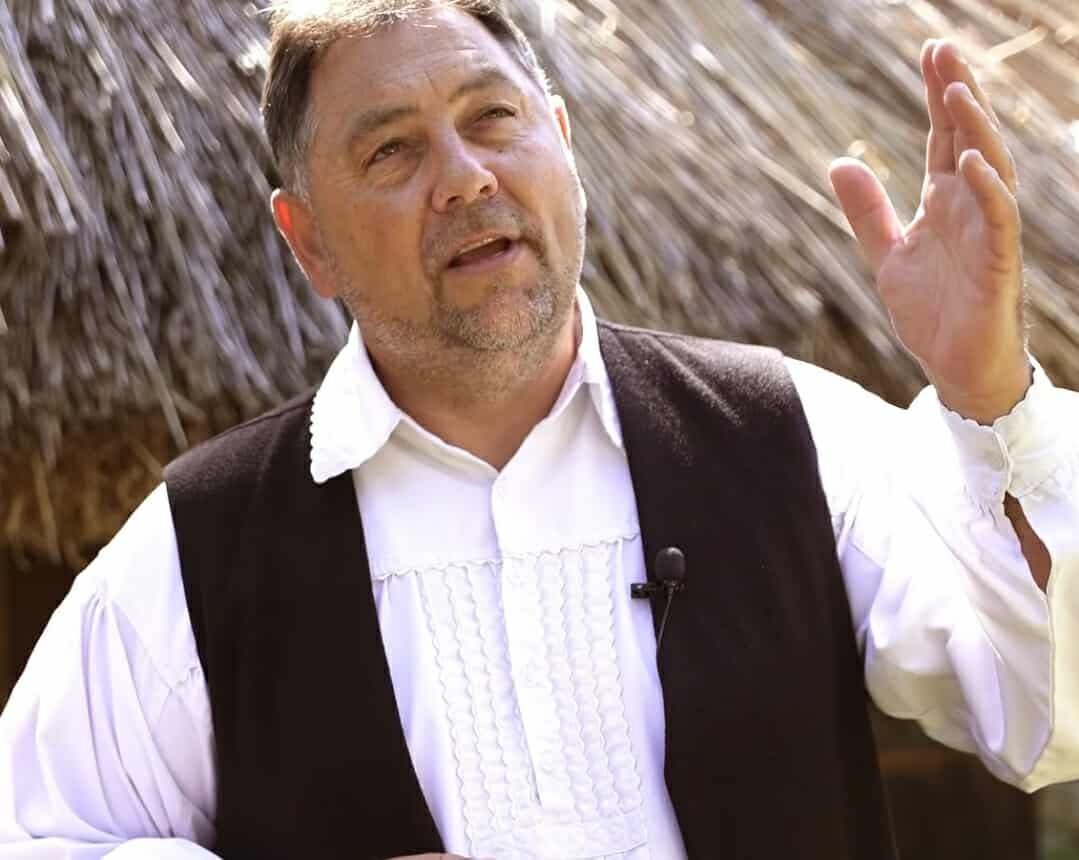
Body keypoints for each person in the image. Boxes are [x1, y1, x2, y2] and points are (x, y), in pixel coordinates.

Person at [1, 1, 1077, 858]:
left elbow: (1046, 715)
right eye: (391, 151)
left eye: (492, 119)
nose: (465, 178)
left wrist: (993, 393)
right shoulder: (200, 547)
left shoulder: (787, 433)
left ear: (562, 145)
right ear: (308, 240)